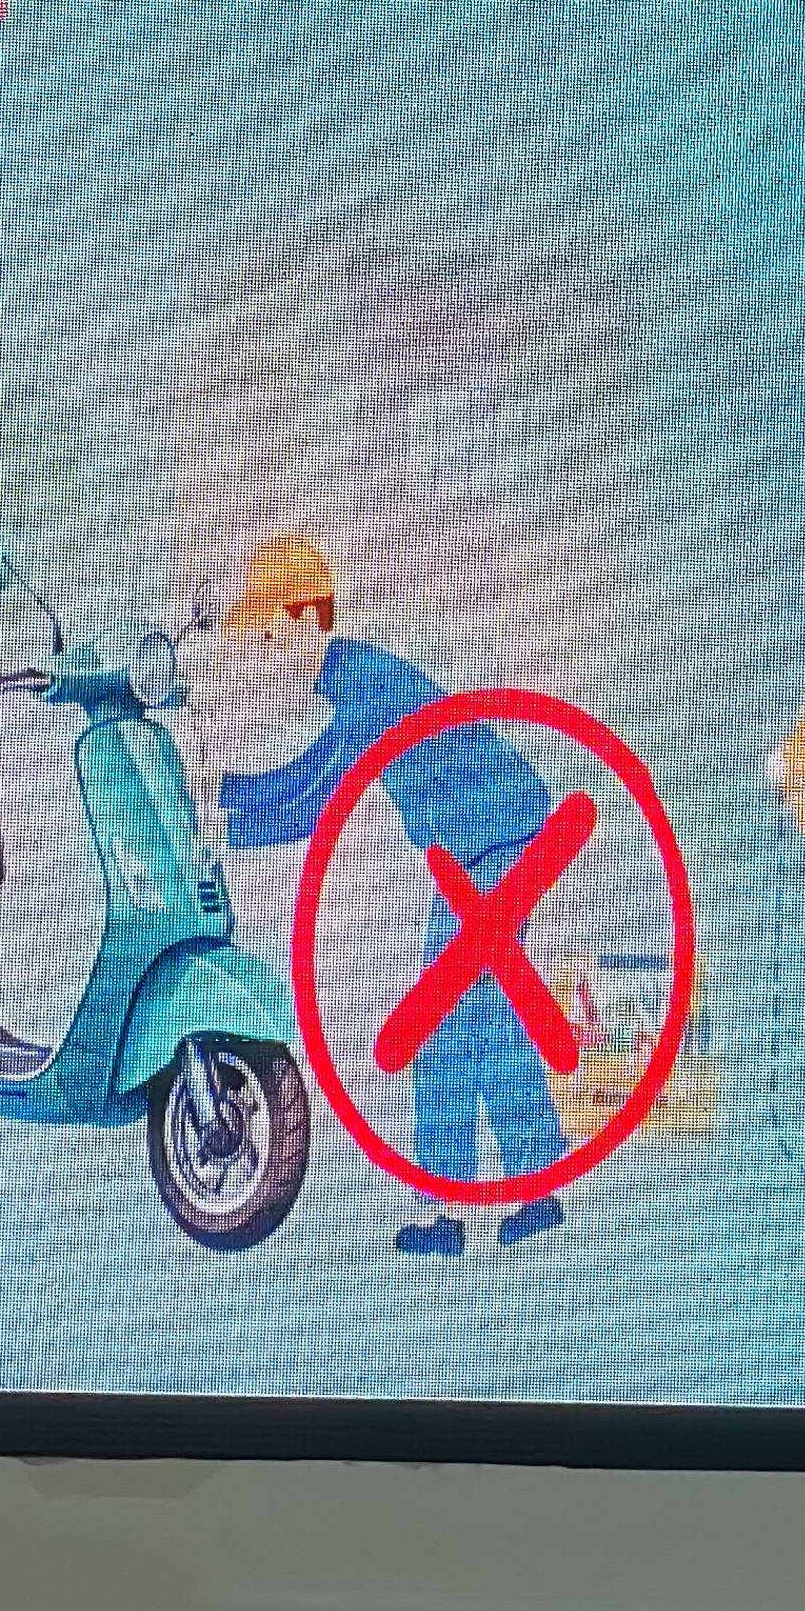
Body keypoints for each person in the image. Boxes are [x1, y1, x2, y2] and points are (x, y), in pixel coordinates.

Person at [203, 533, 573, 1256]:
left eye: (269, 637)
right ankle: (506, 1193)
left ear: (305, 619)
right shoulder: (354, 681)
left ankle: (471, 1202)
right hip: (482, 851)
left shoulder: (364, 682)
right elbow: (319, 782)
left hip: (500, 843)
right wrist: (232, 801)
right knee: (475, 1019)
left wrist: (227, 808)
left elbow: (321, 794)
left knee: (454, 1019)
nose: (265, 658)